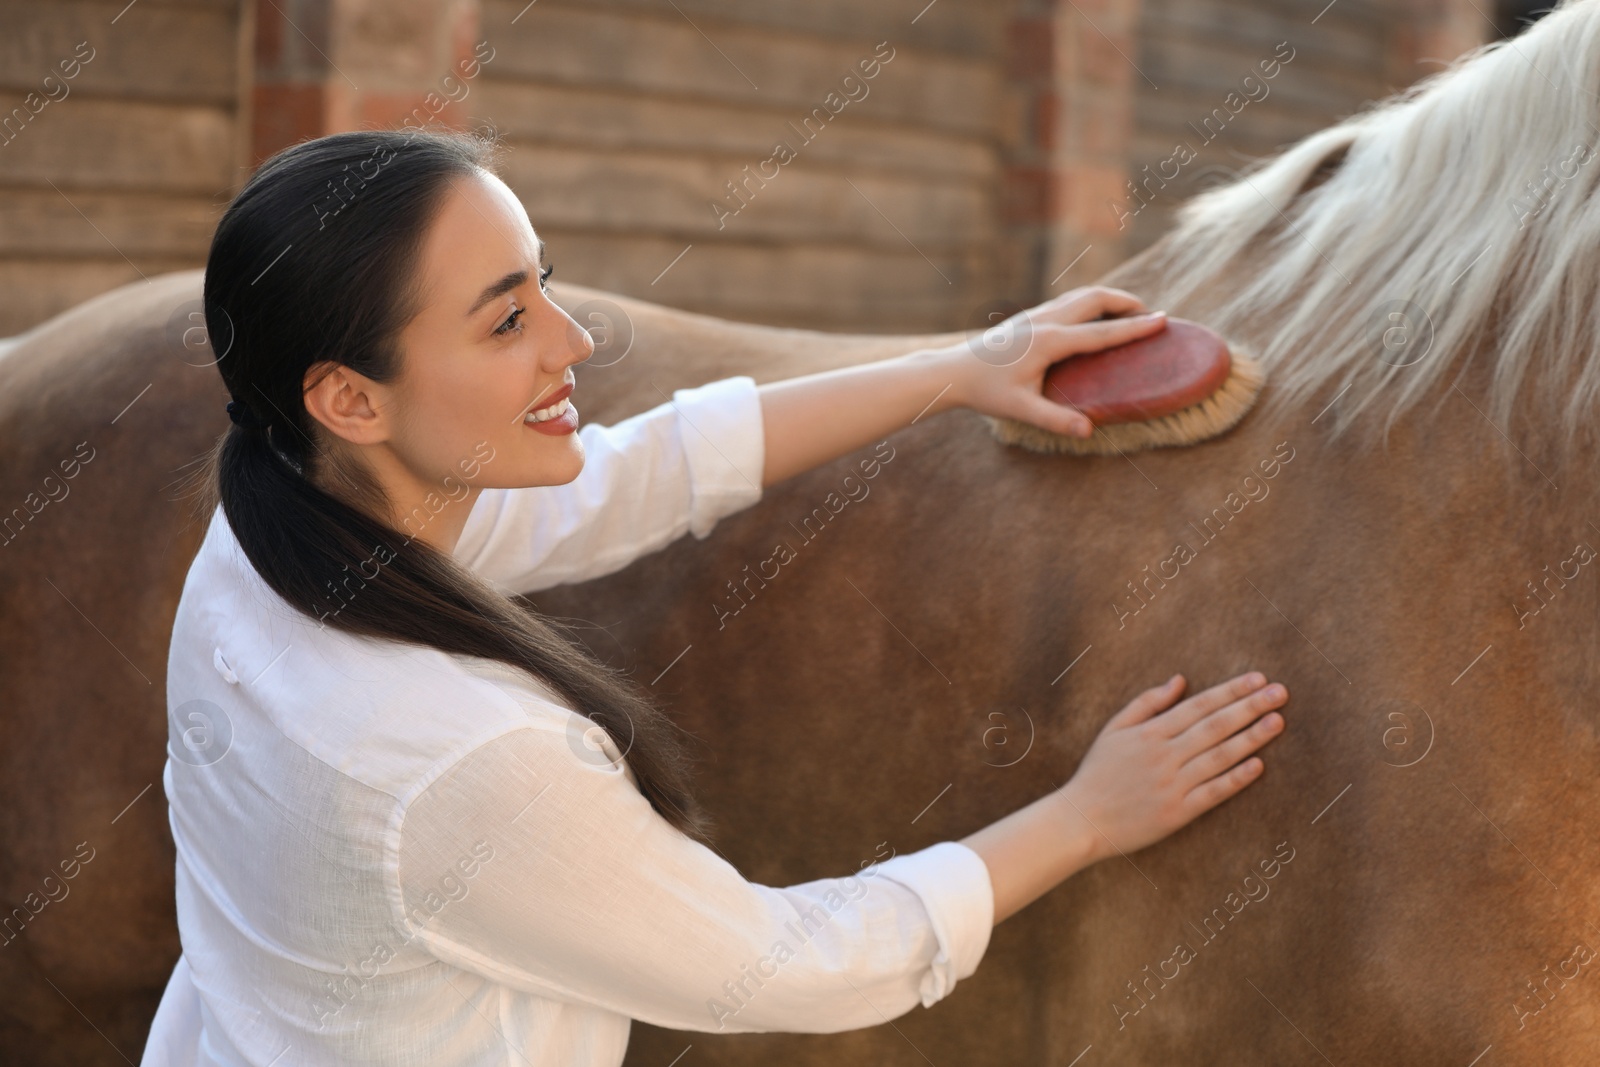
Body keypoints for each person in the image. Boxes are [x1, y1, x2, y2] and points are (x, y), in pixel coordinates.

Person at [142, 128, 1288, 1065]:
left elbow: (637, 470)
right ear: (350, 399)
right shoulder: (453, 759)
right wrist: (1087, 814)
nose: (573, 338)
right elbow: (784, 960)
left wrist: (954, 369)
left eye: (543, 283)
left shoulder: (266, 530)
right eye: (506, 320)